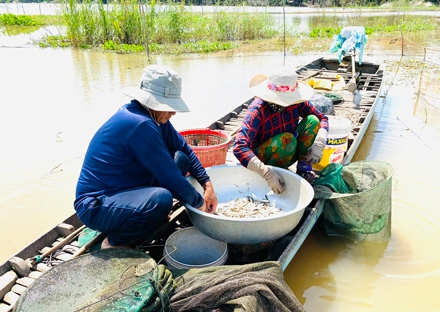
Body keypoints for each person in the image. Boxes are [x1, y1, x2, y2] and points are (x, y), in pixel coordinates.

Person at [74, 64, 218, 250]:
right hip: (97, 205)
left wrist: (207, 184)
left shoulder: (154, 117)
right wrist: (201, 206)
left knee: (180, 159)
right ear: (152, 102)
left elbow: (184, 148)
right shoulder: (139, 124)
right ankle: (114, 243)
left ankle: (145, 212)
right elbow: (169, 176)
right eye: (169, 107)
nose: (173, 112)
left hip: (126, 187)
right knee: (162, 198)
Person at [233, 66, 329, 194]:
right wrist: (266, 173)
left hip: (290, 149)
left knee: (312, 120)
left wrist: (319, 143)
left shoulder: (296, 101)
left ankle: (304, 170)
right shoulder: (257, 109)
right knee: (287, 140)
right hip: (265, 159)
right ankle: (277, 175)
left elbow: (322, 118)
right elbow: (239, 147)